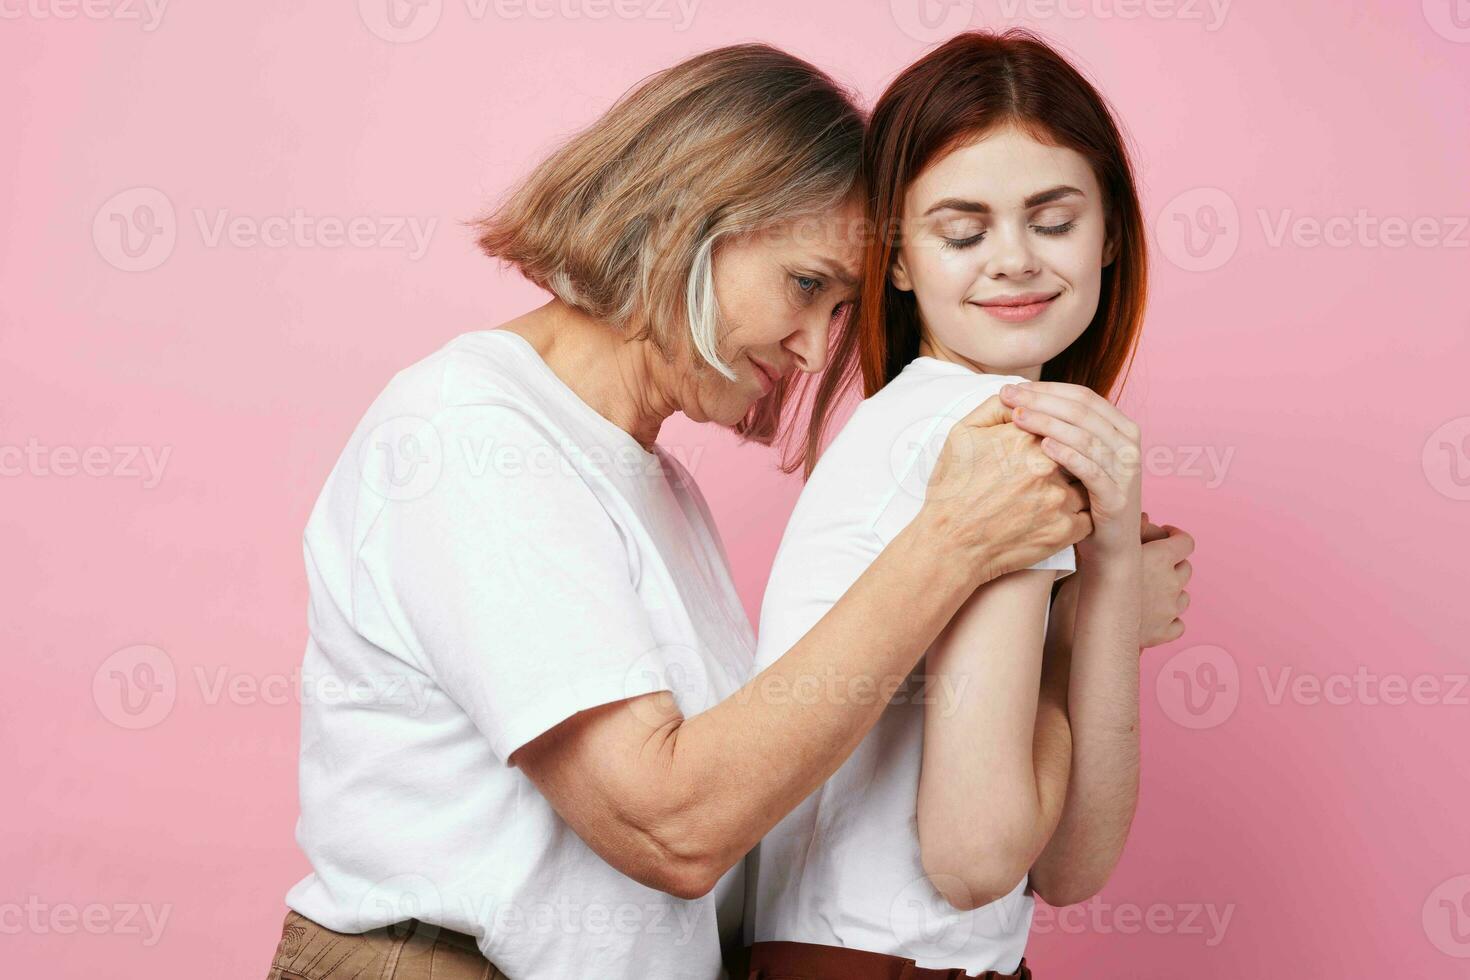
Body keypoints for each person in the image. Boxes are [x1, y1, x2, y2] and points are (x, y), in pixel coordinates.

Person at [263, 42, 1112, 980]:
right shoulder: (468, 432)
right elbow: (671, 827)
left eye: (838, 307)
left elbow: (740, 821)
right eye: (804, 286)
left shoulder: (658, 488)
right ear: (690, 220)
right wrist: (948, 546)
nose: (812, 346)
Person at [746, 30, 1196, 979]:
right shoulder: (985, 437)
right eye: (962, 232)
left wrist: (1106, 573)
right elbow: (978, 857)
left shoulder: (939, 419)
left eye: (1054, 220)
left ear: (1110, 231)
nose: (1014, 261)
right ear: (899, 262)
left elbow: (1069, 870)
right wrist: (1091, 621)